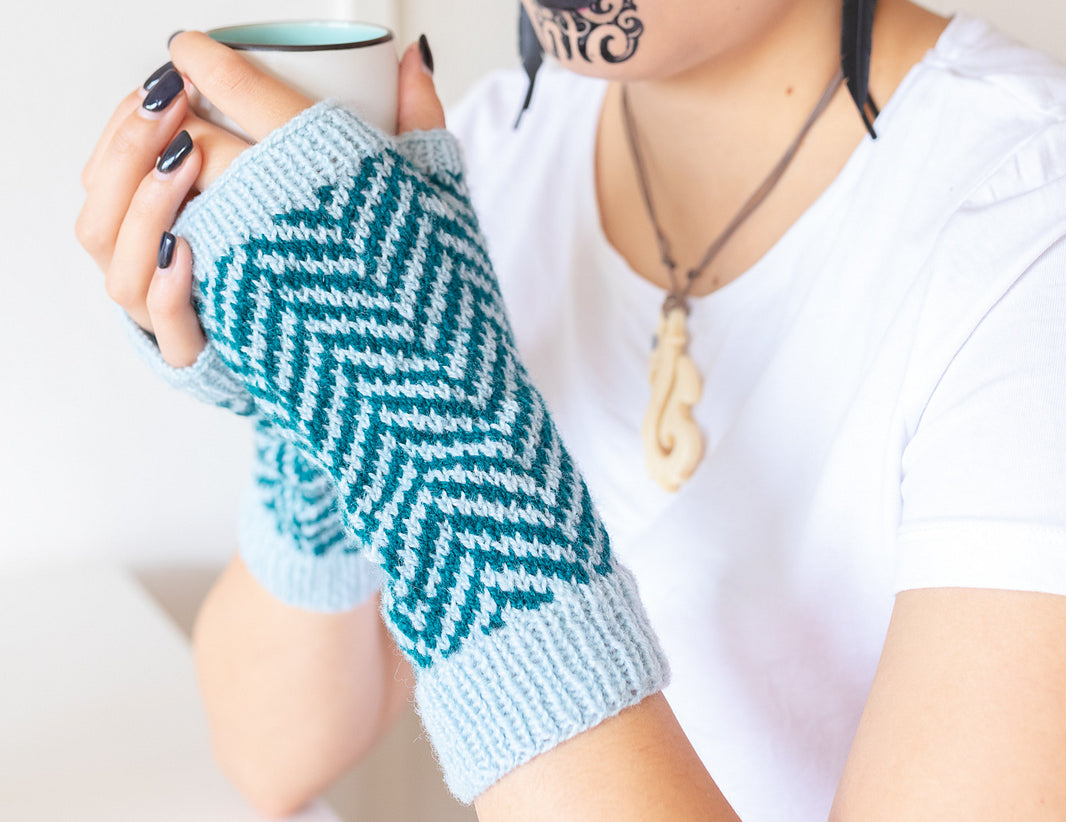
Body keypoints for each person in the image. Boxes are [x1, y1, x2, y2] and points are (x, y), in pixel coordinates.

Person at [75, 0, 1066, 819]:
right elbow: (273, 751)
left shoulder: (1028, 225)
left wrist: (432, 431)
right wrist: (318, 402)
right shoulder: (491, 146)